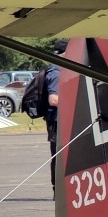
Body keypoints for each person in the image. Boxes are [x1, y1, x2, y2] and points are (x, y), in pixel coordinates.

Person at [44, 39, 67, 187]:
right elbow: (53, 100)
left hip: (59, 119)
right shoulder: (56, 72)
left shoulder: (58, 69)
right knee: (58, 156)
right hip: (56, 120)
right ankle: (57, 189)